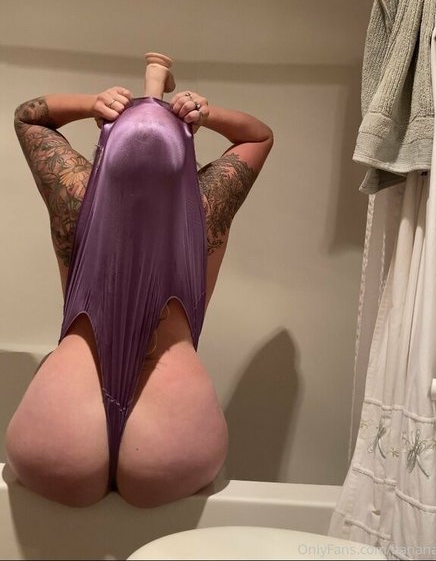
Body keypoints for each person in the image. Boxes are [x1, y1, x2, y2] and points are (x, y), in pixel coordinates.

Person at [6, 62, 273, 509]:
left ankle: (151, 89)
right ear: (185, 159)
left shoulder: (74, 191)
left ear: (105, 150)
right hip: (171, 421)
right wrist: (206, 115)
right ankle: (160, 89)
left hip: (64, 413)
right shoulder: (208, 204)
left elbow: (28, 117)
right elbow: (259, 137)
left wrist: (92, 103)